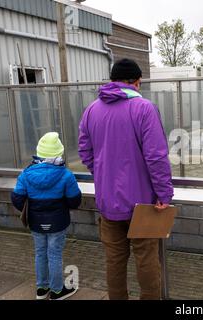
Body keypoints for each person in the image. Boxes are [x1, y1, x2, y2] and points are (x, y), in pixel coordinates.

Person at [78, 58, 174, 300]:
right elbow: (156, 157)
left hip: (108, 203)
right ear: (137, 82)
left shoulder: (92, 110)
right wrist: (164, 194)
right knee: (147, 259)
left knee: (115, 261)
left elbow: (85, 151)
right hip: (143, 204)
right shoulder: (144, 109)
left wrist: (102, 174)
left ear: (112, 81)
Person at [11, 132, 82, 300]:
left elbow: (16, 198)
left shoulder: (26, 174)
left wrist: (31, 211)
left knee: (40, 253)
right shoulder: (66, 175)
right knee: (54, 254)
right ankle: (57, 291)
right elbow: (75, 201)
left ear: (39, 152)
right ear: (58, 153)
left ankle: (42, 289)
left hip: (36, 223)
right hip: (58, 223)